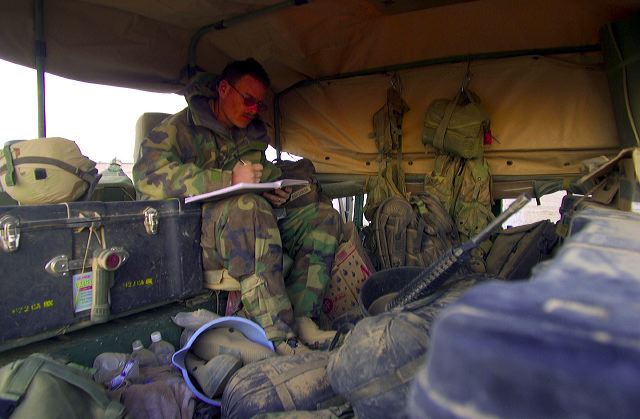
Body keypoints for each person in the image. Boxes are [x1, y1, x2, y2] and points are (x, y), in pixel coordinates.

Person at [133, 58, 341, 355]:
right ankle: (280, 337)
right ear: (223, 89)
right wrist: (227, 179)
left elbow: (258, 171)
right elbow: (148, 178)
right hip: (197, 236)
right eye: (247, 99)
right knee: (248, 209)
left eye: (259, 103)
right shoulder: (179, 129)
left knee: (322, 217)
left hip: (251, 220)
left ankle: (303, 316)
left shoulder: (250, 134)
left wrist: (270, 186)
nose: (253, 109)